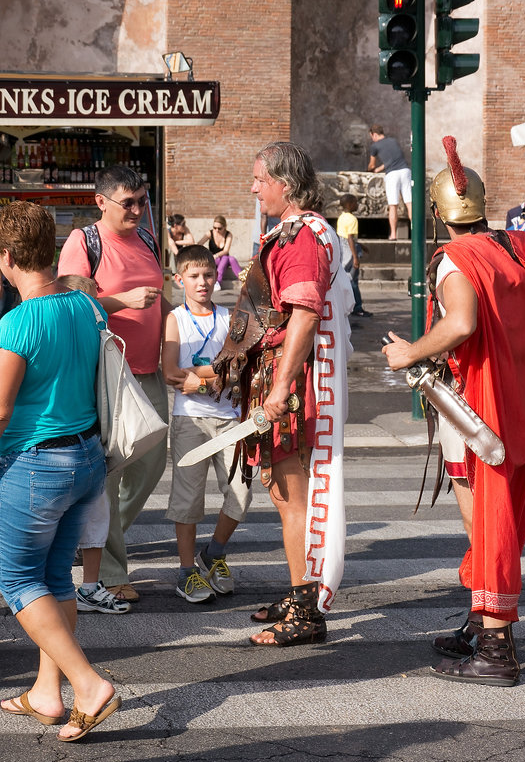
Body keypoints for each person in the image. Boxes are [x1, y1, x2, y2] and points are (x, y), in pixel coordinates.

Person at [382, 136, 525, 686]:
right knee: (492, 517)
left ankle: (496, 649)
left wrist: (409, 353)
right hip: (517, 400)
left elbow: (462, 325)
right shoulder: (521, 246)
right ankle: (483, 622)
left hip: (477, 404)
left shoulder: (455, 259)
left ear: (438, 214)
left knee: (487, 518)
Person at [212, 141, 354, 647]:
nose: (253, 188)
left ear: (285, 185)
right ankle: (300, 592)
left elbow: (304, 314)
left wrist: (279, 388)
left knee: (292, 494)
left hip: (293, 382)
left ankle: (305, 610)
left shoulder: (300, 237)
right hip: (288, 375)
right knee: (283, 490)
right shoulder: (304, 232)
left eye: (259, 179)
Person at [0, 201, 121, 741]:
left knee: (17, 580)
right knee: (54, 578)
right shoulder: (84, 307)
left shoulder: (17, 322)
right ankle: (47, 694)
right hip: (87, 458)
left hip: (34, 465)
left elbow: (2, 409)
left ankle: (88, 684)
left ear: (6, 258)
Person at [58, 164, 170, 604]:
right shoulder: (83, 242)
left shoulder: (146, 238)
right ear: (101, 202)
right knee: (108, 474)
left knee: (151, 463)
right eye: (129, 203)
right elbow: (66, 302)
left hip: (149, 369)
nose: (139, 210)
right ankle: (108, 569)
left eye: (143, 201)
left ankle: (95, 539)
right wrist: (121, 300)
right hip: (106, 374)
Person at [162, 245, 251, 603]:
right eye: (194, 276)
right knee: (188, 499)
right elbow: (169, 371)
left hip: (230, 419)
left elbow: (239, 366)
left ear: (218, 277)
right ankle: (187, 571)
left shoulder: (230, 317)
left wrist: (203, 378)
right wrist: (216, 376)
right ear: (179, 279)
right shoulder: (176, 319)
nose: (203, 283)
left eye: (208, 275)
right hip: (190, 421)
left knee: (241, 492)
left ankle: (214, 552)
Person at [56, 274, 131, 615]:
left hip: (80, 440)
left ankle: (81, 586)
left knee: (87, 515)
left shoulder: (84, 335)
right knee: (89, 514)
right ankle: (76, 587)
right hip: (78, 442)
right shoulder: (94, 335)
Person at [368, 124, 412, 239]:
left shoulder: (375, 146)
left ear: (375, 134)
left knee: (393, 205)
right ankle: (415, 231)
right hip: (405, 170)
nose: (372, 139)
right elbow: (393, 159)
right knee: (409, 202)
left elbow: (371, 164)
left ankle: (393, 234)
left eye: (371, 136)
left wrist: (372, 169)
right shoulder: (393, 141)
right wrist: (380, 169)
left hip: (392, 174)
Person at [337, 193, 372, 318]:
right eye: (356, 203)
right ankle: (357, 307)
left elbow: (344, 237)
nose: (357, 205)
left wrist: (361, 245)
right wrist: (355, 257)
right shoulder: (352, 219)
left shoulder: (342, 217)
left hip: (343, 251)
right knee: (353, 281)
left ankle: (345, 305)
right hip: (350, 252)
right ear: (350, 204)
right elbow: (350, 238)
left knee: (345, 279)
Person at [198, 215, 241, 286]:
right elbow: (200, 244)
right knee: (228, 258)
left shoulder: (228, 235)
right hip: (213, 260)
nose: (216, 230)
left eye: (219, 228)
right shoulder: (210, 233)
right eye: (214, 228)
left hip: (223, 259)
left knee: (229, 258)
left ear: (224, 227)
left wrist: (216, 255)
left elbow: (226, 250)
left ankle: (243, 278)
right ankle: (217, 281)